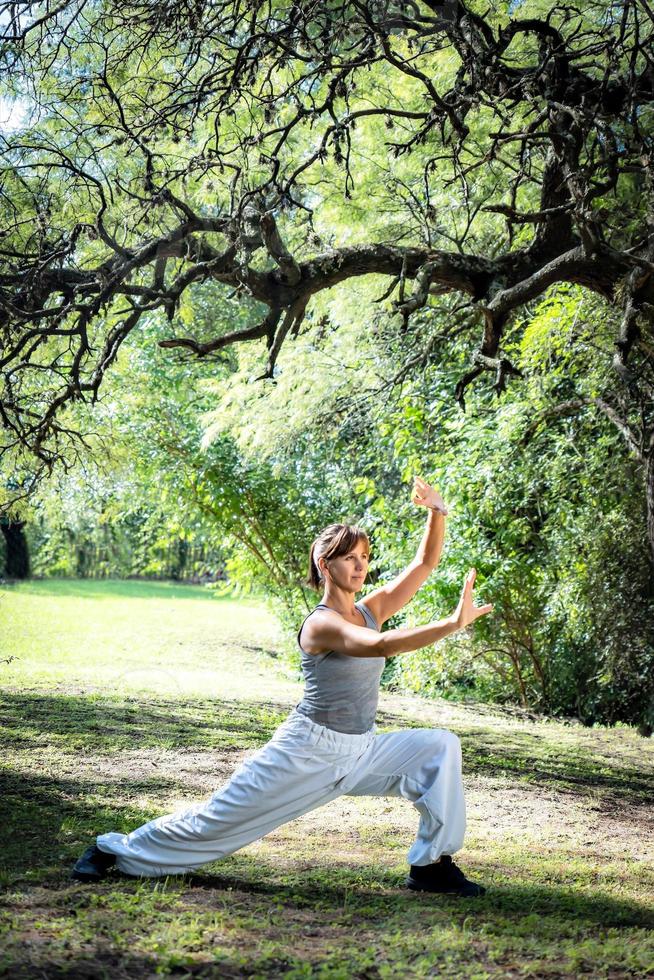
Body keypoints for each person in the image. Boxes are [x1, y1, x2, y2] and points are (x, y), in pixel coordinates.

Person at [72, 476, 493, 896]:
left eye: (364, 556)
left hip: (360, 750)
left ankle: (431, 867)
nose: (360, 565)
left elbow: (424, 565)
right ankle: (114, 851)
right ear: (326, 565)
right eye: (349, 557)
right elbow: (381, 645)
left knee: (439, 747)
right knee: (217, 820)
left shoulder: (371, 609)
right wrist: (452, 624)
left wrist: (437, 513)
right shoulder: (321, 624)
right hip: (306, 752)